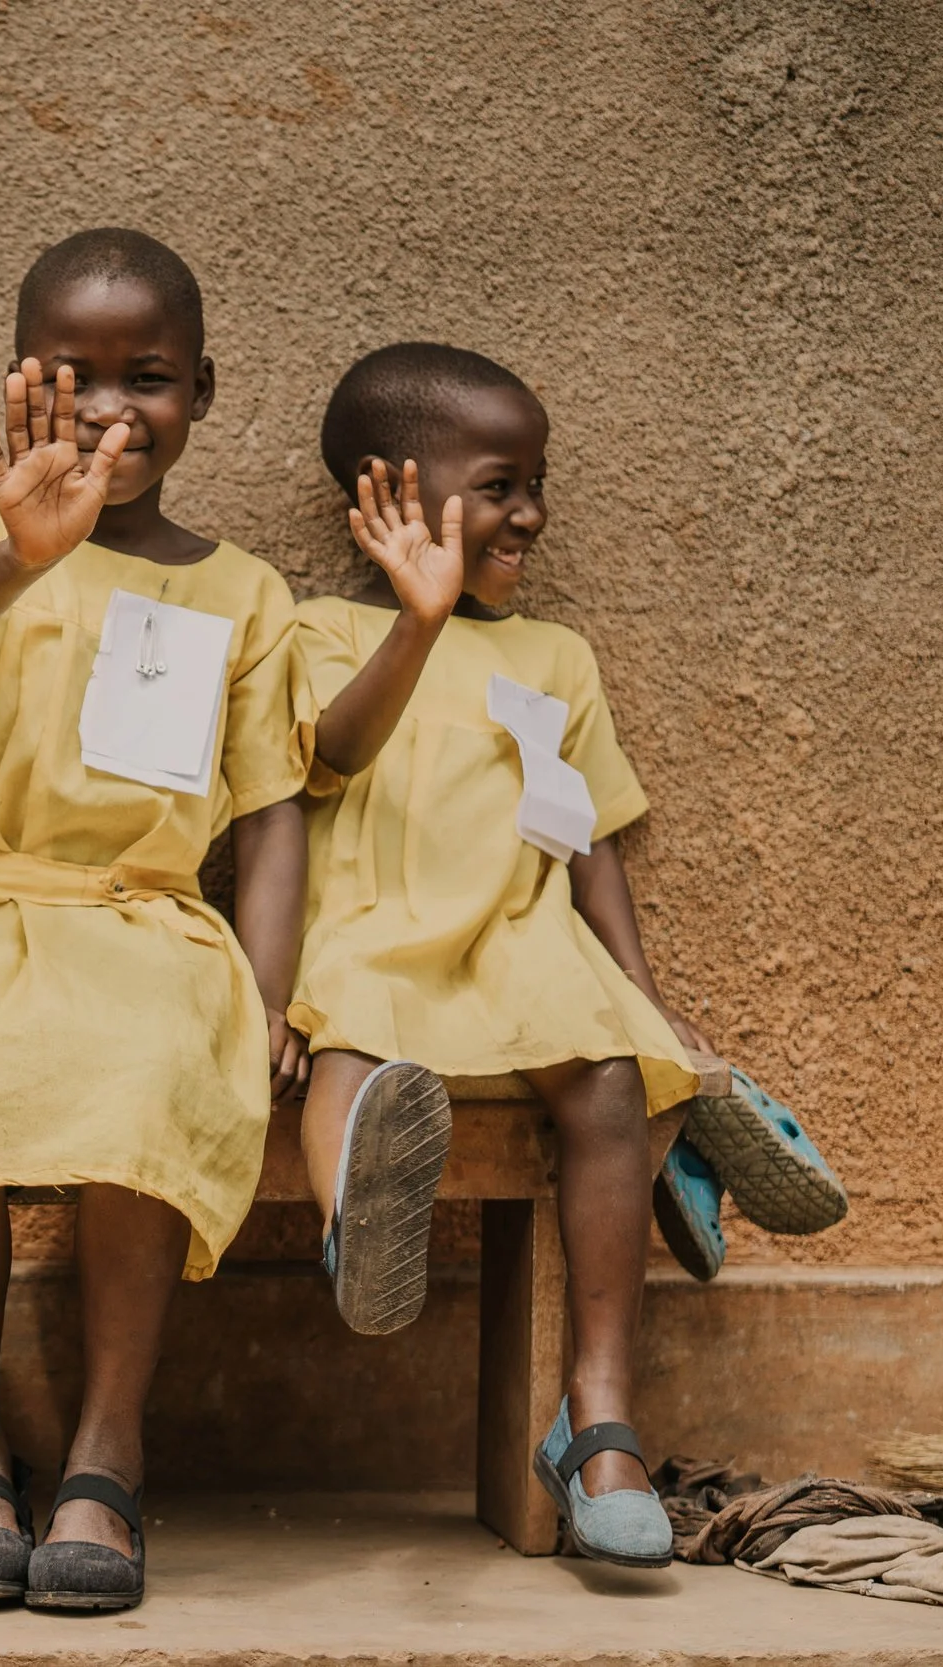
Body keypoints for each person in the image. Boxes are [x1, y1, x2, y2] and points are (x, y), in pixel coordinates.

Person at [0, 229, 314, 1613]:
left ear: (205, 391)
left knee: (153, 1065)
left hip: (152, 921)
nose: (115, 412)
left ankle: (108, 1449)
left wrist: (270, 993)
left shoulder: (243, 593)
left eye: (151, 378)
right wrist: (18, 545)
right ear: (20, 382)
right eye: (78, 377)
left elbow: (274, 809)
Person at [287, 341, 705, 1567]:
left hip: (518, 934)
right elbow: (332, 755)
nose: (529, 511)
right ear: (389, 492)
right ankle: (353, 1230)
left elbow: (590, 848)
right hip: (370, 922)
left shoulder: (554, 657)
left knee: (611, 1076)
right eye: (500, 483)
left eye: (537, 484)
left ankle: (600, 1420)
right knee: (348, 1042)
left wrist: (641, 994)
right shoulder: (310, 629)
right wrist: (415, 623)